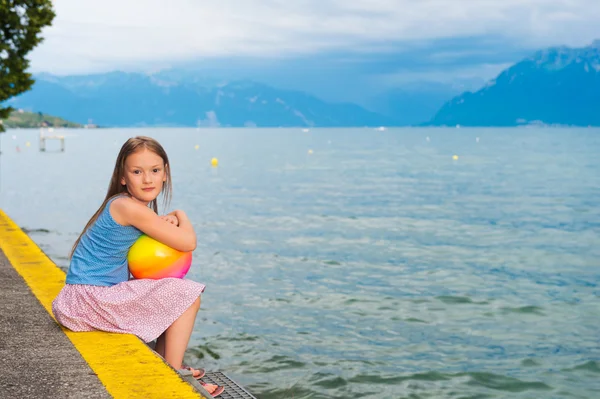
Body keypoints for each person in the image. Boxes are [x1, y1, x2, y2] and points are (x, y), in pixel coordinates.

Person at [52, 136, 223, 397]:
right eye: (137, 172)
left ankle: (163, 361)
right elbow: (188, 242)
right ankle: (172, 377)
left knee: (169, 292)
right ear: (123, 177)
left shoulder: (126, 205)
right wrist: (180, 215)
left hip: (83, 298)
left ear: (165, 173)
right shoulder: (128, 207)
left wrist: (164, 220)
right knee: (187, 296)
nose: (147, 179)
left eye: (155, 170)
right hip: (87, 300)